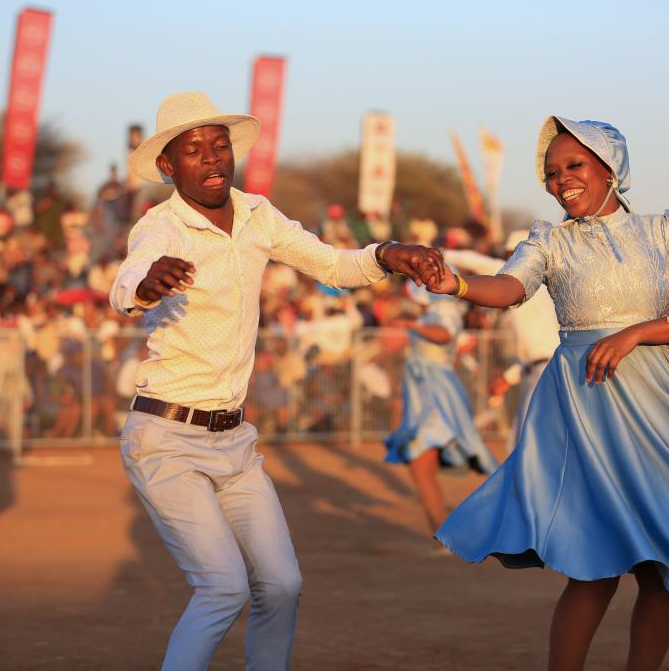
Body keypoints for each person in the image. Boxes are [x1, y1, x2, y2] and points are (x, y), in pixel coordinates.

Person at [428, 117, 669, 671]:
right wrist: (459, 285)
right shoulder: (548, 239)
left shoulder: (663, 229)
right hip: (586, 403)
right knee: (594, 567)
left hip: (663, 406)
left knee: (665, 570)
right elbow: (509, 287)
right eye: (552, 172)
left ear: (612, 169)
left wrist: (637, 332)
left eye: (575, 166)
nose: (561, 179)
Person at [109, 91, 442, 671]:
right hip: (165, 437)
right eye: (194, 150)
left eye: (220, 146)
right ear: (168, 166)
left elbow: (334, 266)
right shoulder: (160, 228)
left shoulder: (259, 215)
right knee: (222, 587)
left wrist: (389, 253)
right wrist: (147, 283)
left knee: (283, 585)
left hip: (234, 441)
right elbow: (126, 284)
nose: (212, 159)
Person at [384, 280, 497, 536]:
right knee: (421, 466)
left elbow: (445, 334)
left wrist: (412, 324)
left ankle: (448, 532)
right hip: (424, 393)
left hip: (437, 395)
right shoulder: (432, 312)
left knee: (423, 463)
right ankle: (443, 533)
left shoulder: (445, 310)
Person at [443, 232, 560, 453]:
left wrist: (441, 253)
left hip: (545, 373)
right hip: (540, 371)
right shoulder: (538, 288)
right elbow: (538, 354)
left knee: (523, 447)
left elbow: (477, 262)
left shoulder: (524, 278)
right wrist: (508, 378)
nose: (506, 261)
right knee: (523, 446)